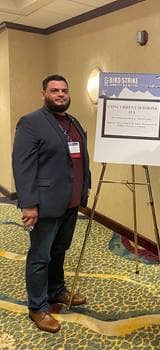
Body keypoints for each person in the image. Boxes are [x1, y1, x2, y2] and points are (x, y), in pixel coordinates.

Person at [12, 75, 91, 333]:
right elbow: (23, 166)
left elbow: (79, 161)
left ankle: (56, 290)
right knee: (40, 256)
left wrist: (83, 192)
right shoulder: (31, 122)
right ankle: (37, 307)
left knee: (60, 250)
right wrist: (29, 204)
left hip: (69, 203)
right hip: (45, 204)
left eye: (64, 90)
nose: (60, 94)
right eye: (54, 90)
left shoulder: (73, 122)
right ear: (43, 93)